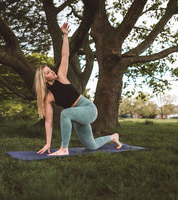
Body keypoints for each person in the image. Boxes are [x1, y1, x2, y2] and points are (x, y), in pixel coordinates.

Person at [34, 22, 122, 156]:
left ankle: (64, 149)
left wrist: (65, 36)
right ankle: (113, 137)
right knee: (91, 146)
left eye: (50, 69)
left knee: (65, 113)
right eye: (47, 73)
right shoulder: (49, 97)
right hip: (77, 116)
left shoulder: (61, 76)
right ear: (44, 80)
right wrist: (48, 143)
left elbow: (65, 56)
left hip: (88, 109)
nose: (52, 71)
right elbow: (48, 121)